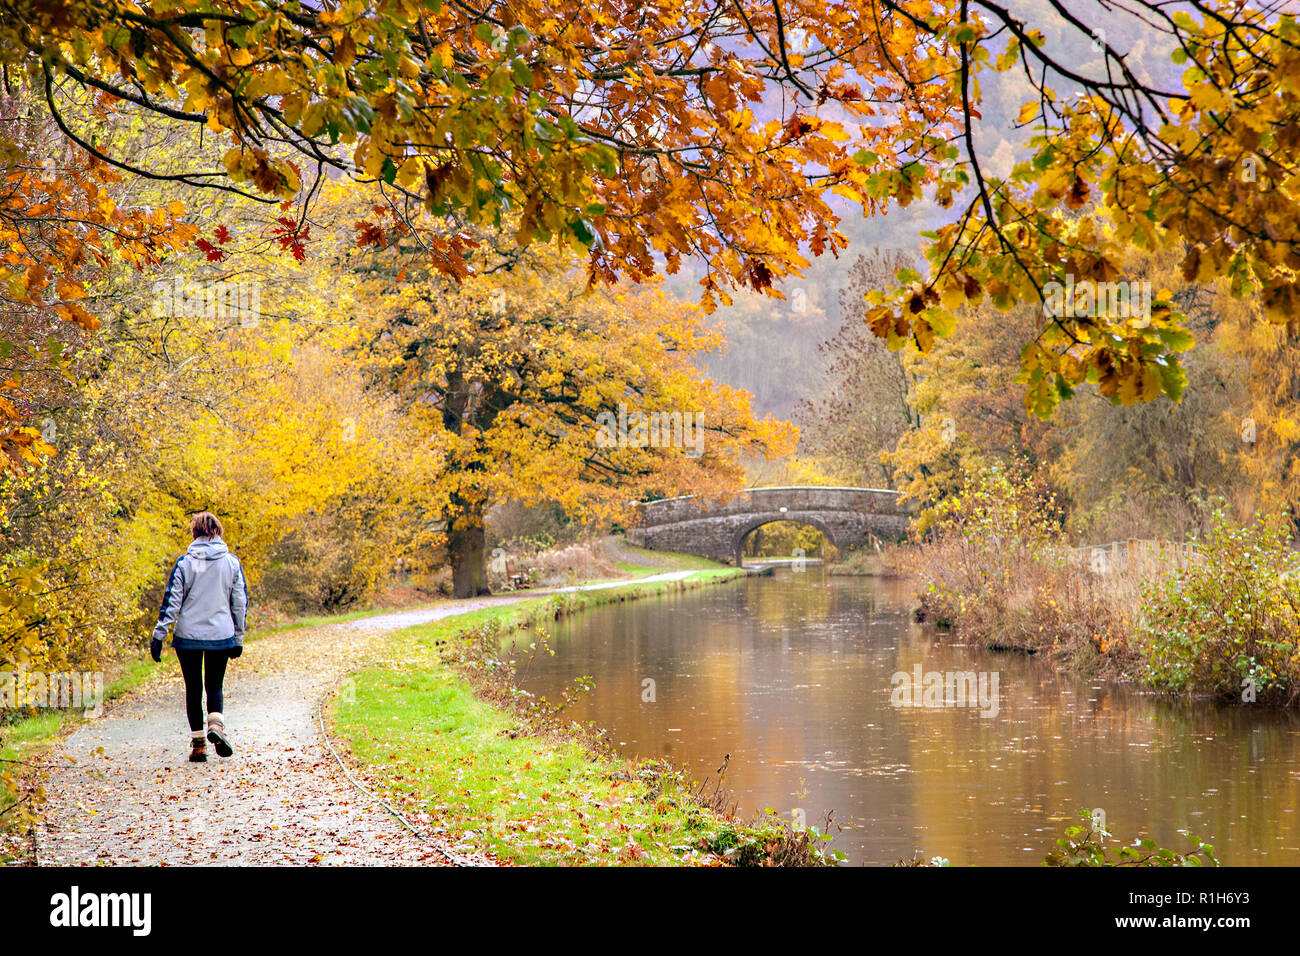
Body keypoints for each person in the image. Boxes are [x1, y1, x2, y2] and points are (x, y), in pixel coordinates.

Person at [150, 512, 248, 763]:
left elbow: (172, 601)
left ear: (194, 533)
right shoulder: (232, 563)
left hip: (189, 637)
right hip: (220, 634)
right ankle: (216, 725)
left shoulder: (185, 563)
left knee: (194, 689)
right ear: (218, 532)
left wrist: (159, 636)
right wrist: (238, 637)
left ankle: (199, 746)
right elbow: (239, 603)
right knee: (214, 686)